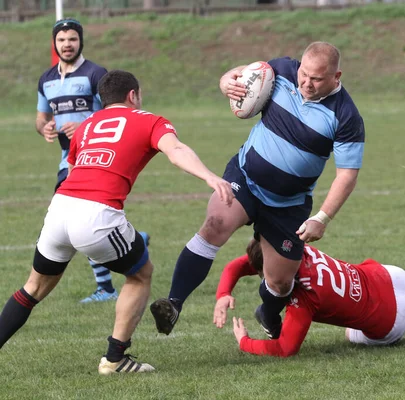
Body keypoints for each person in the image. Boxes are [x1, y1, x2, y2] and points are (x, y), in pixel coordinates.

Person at [0, 70, 234, 374]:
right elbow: (175, 150)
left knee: (33, 288)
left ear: (101, 99)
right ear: (133, 95)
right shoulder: (149, 119)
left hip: (59, 208)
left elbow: (72, 169)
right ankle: (114, 359)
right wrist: (210, 176)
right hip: (97, 215)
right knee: (141, 274)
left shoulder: (85, 126)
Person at [150, 41, 365, 339]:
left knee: (279, 282)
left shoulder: (346, 116)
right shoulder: (281, 69)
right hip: (246, 177)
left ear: (336, 77)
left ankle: (267, 311)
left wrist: (322, 217)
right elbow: (239, 73)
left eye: (317, 78)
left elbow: (347, 175)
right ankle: (173, 304)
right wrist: (227, 83)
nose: (307, 82)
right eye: (304, 74)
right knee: (215, 224)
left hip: (288, 204)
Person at [213, 239, 405, 357]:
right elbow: (238, 265)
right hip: (389, 275)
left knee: (351, 334)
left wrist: (245, 343)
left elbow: (286, 349)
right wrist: (223, 292)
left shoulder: (302, 298)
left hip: (390, 316)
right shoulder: (294, 249)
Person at [36, 18, 150, 303]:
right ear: (55, 43)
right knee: (80, 220)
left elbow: (114, 112)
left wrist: (85, 124)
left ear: (80, 41)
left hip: (92, 157)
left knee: (77, 218)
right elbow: (41, 117)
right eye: (61, 40)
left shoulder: (95, 73)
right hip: (68, 156)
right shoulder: (47, 79)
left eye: (72, 39)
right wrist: (45, 127)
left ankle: (106, 288)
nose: (67, 44)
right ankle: (135, 242)